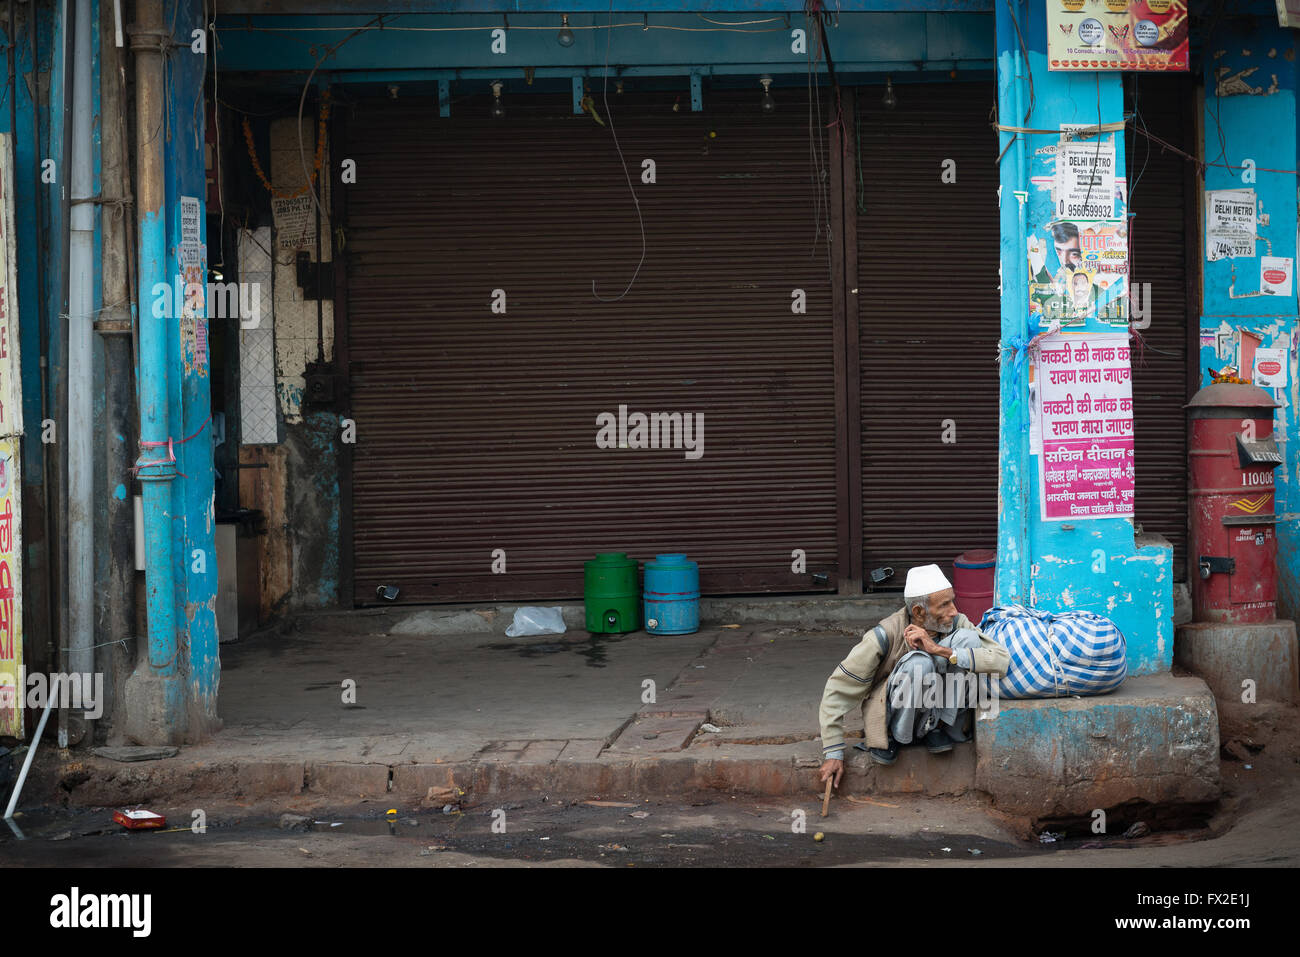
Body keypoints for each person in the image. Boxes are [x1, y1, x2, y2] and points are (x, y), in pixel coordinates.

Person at [817, 564, 1010, 788]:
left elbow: (1000, 661)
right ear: (918, 612)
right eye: (945, 605)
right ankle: (896, 736)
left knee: (968, 641)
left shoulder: (958, 623)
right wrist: (834, 753)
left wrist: (940, 650)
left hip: (940, 719)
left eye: (952, 601)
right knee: (919, 663)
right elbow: (838, 690)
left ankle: (938, 728)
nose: (954, 611)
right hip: (897, 717)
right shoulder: (883, 634)